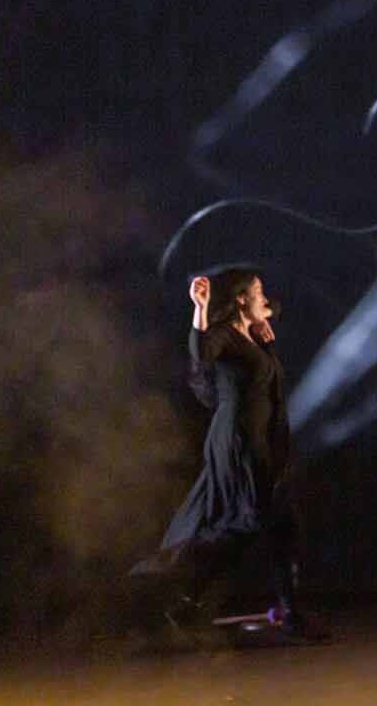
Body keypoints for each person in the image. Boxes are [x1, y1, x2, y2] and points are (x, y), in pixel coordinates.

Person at [131, 269, 323, 639]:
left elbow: (267, 379)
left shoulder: (251, 335)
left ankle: (195, 605)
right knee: (251, 524)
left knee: (265, 525)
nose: (265, 297)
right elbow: (201, 353)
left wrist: (264, 335)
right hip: (239, 442)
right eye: (258, 291)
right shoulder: (223, 335)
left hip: (257, 440)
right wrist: (200, 309)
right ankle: (184, 600)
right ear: (240, 298)